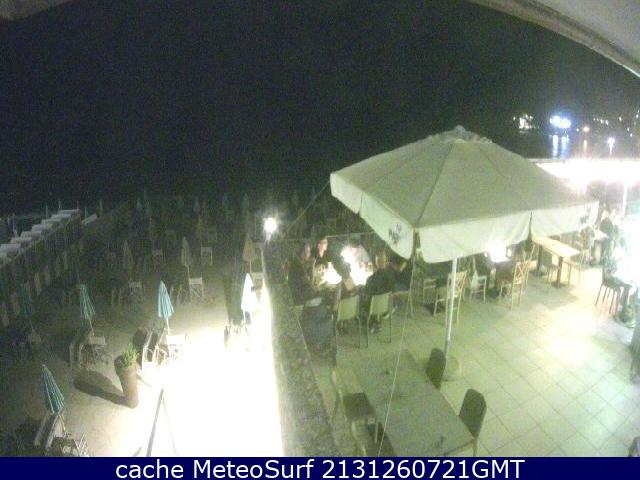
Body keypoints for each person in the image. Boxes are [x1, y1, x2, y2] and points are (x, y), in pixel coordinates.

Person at [363, 251, 396, 333]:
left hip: (373, 307)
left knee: (362, 296)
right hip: (387, 306)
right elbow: (392, 290)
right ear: (386, 261)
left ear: (376, 262)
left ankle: (370, 320)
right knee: (378, 295)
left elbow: (366, 294)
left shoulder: (371, 279)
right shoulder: (391, 275)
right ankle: (377, 321)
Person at [288, 242, 317, 306]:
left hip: (297, 295)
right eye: (308, 251)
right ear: (302, 253)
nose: (310, 254)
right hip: (299, 299)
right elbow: (310, 283)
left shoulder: (296, 262)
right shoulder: (297, 266)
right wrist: (312, 265)